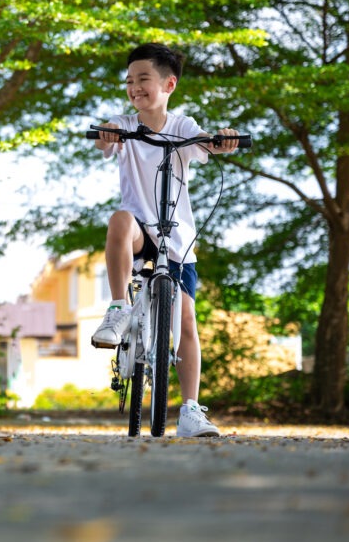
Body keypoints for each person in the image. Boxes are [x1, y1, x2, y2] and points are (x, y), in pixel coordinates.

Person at [90, 42, 238, 438]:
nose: (134, 87)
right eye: (129, 81)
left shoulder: (182, 126)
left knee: (186, 320)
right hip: (139, 232)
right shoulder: (123, 123)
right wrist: (106, 136)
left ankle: (190, 410)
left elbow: (206, 141)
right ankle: (119, 307)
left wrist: (221, 139)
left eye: (143, 79)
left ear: (169, 84)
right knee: (119, 218)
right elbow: (106, 139)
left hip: (177, 238)